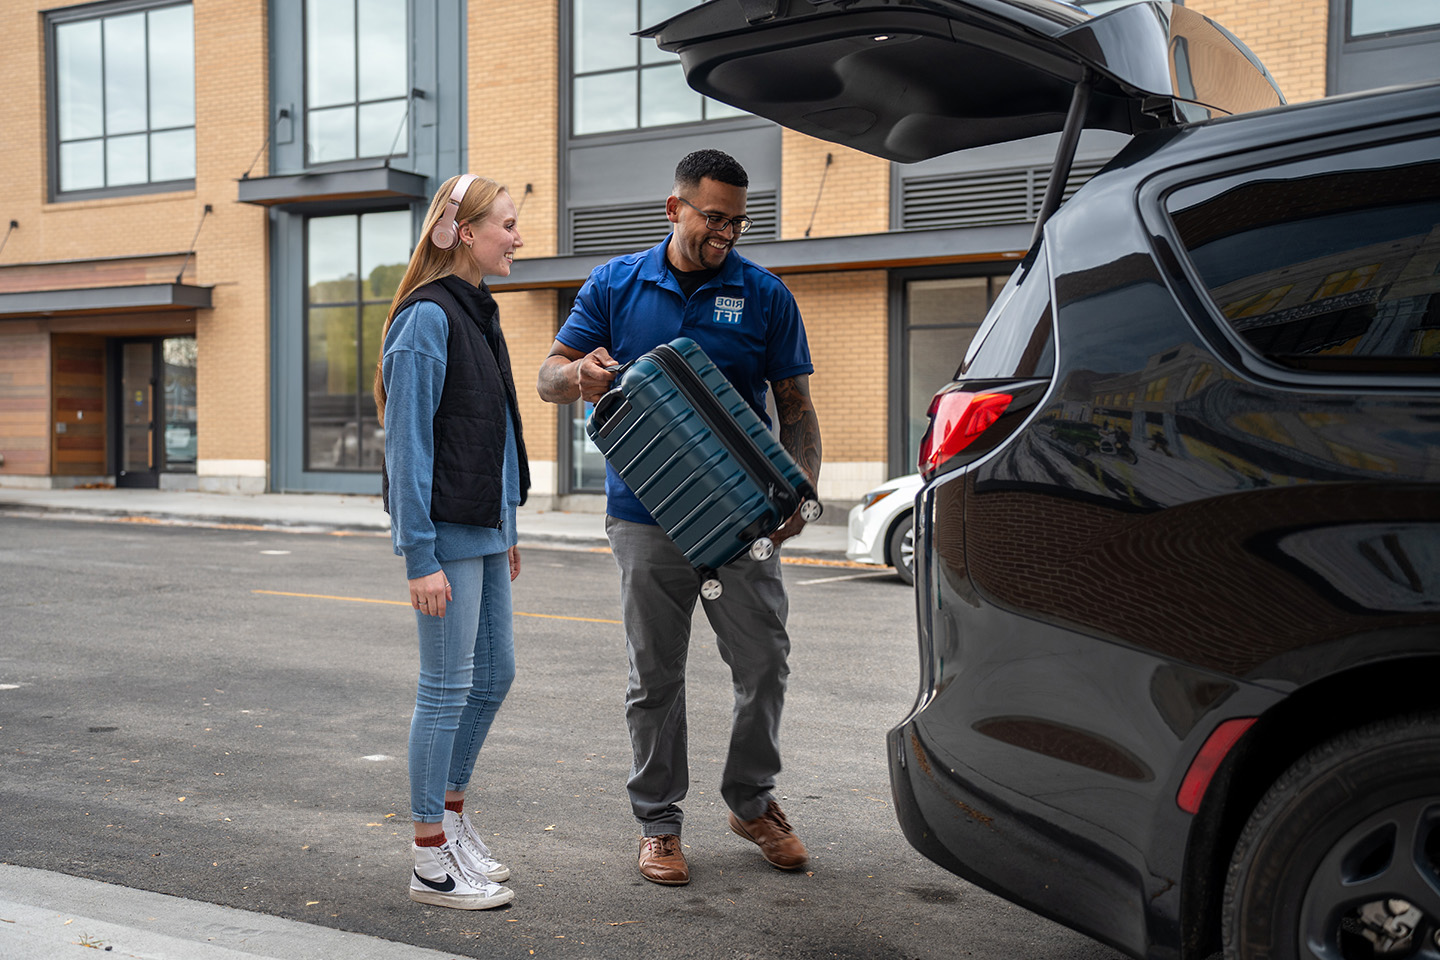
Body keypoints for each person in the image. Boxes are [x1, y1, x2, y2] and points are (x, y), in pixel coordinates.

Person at [536, 149, 822, 886]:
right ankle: (659, 824)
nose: (727, 232)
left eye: (738, 220)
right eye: (714, 217)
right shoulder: (615, 284)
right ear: (674, 208)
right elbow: (547, 377)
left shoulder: (762, 294)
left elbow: (795, 407)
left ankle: (750, 801)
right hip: (644, 514)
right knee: (654, 678)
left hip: (741, 518)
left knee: (766, 664)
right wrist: (579, 375)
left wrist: (800, 494)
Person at [375, 173, 529, 910]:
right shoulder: (427, 320)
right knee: (443, 691)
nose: (518, 236)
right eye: (506, 223)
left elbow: (487, 432)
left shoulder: (477, 311)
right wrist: (418, 555)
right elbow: (407, 447)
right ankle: (429, 859)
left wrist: (508, 527)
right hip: (443, 536)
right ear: (465, 233)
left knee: (493, 675)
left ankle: (455, 820)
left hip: (484, 530)